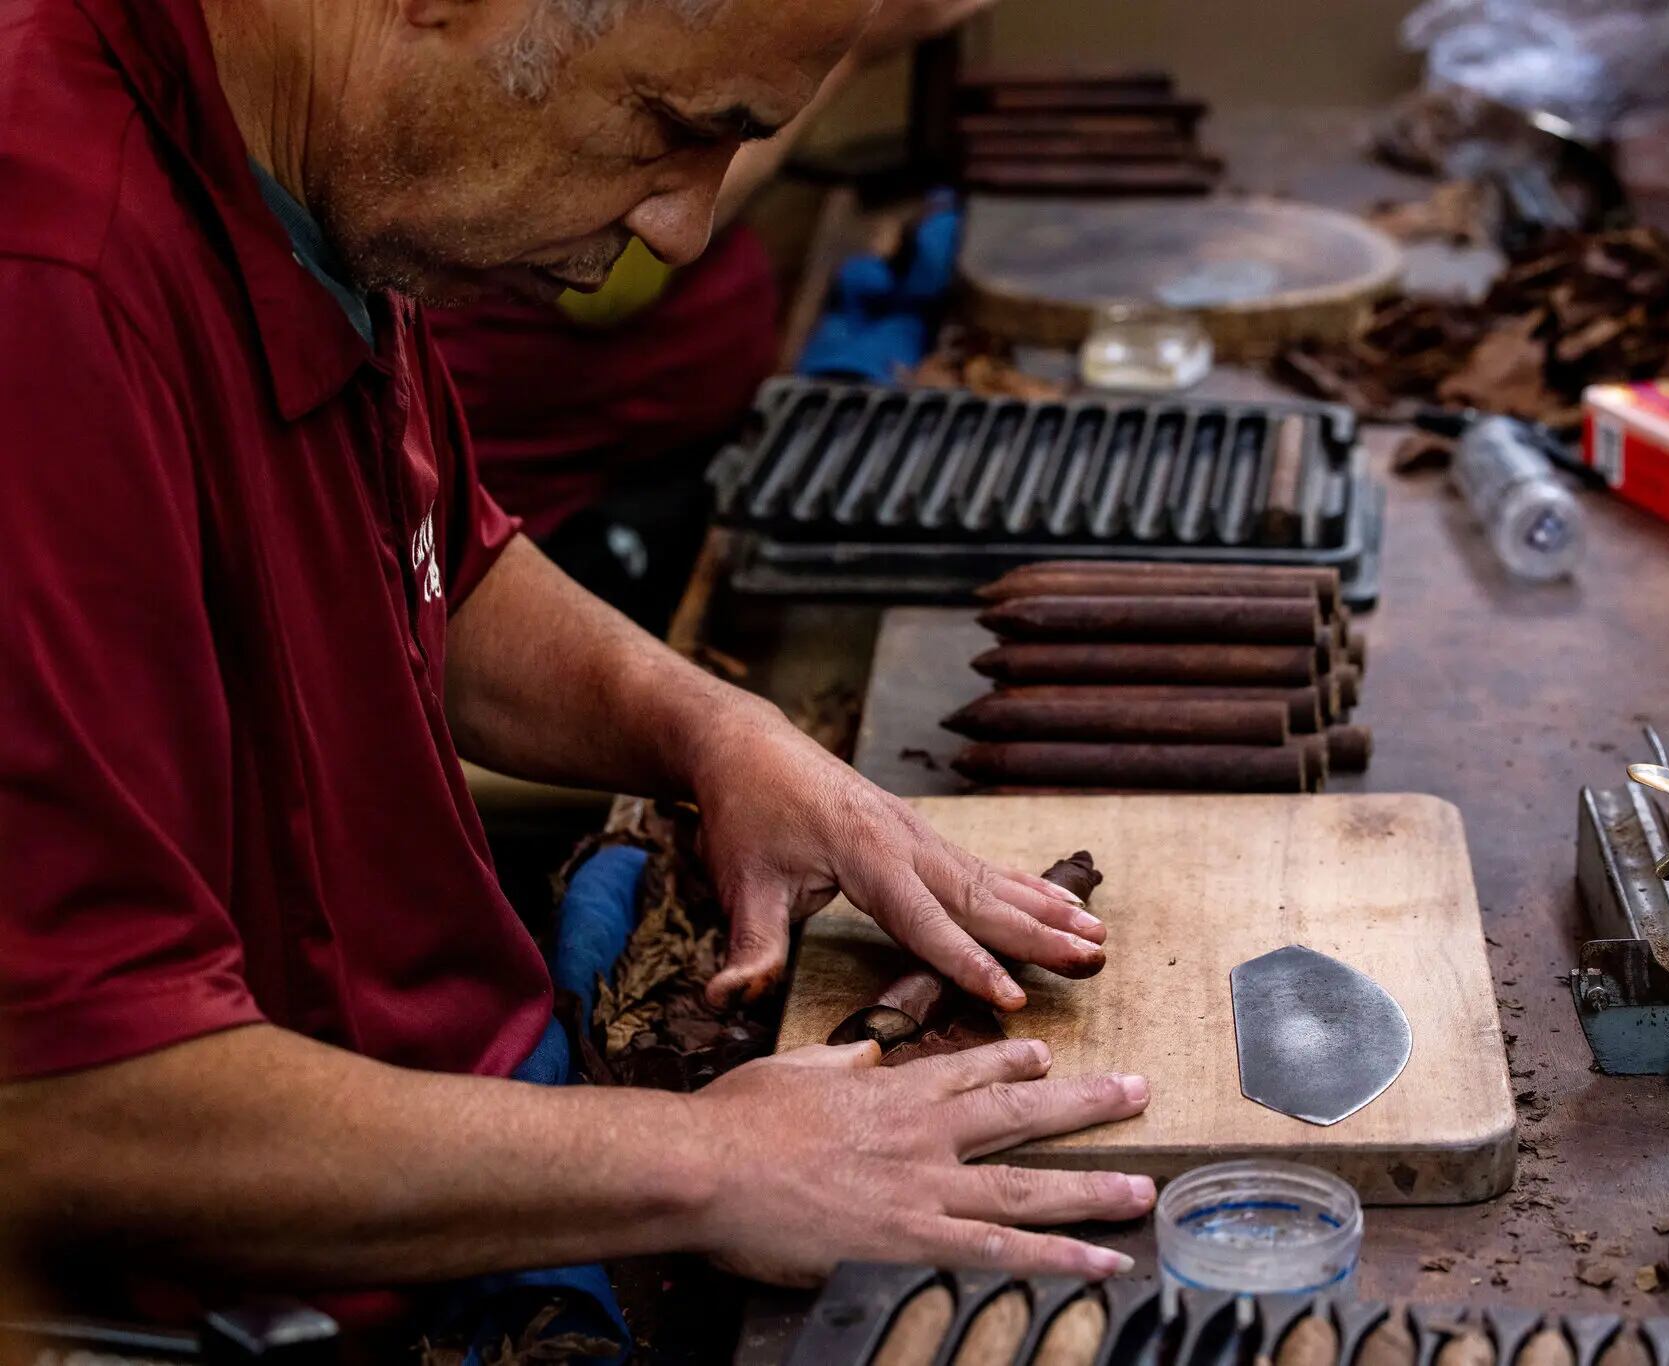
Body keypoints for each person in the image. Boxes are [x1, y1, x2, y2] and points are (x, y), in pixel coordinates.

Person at [0, 0, 1154, 1326]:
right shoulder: (47, 285)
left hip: (461, 1116)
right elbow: (59, 1102)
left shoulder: (325, 160)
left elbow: (438, 564)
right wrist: (711, 1163)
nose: (683, 230)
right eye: (671, 129)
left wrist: (717, 731)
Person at [427, 2, 991, 629]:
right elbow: (612, 276)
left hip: (678, 445)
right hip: (550, 512)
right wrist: (851, 52)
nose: (682, 231)